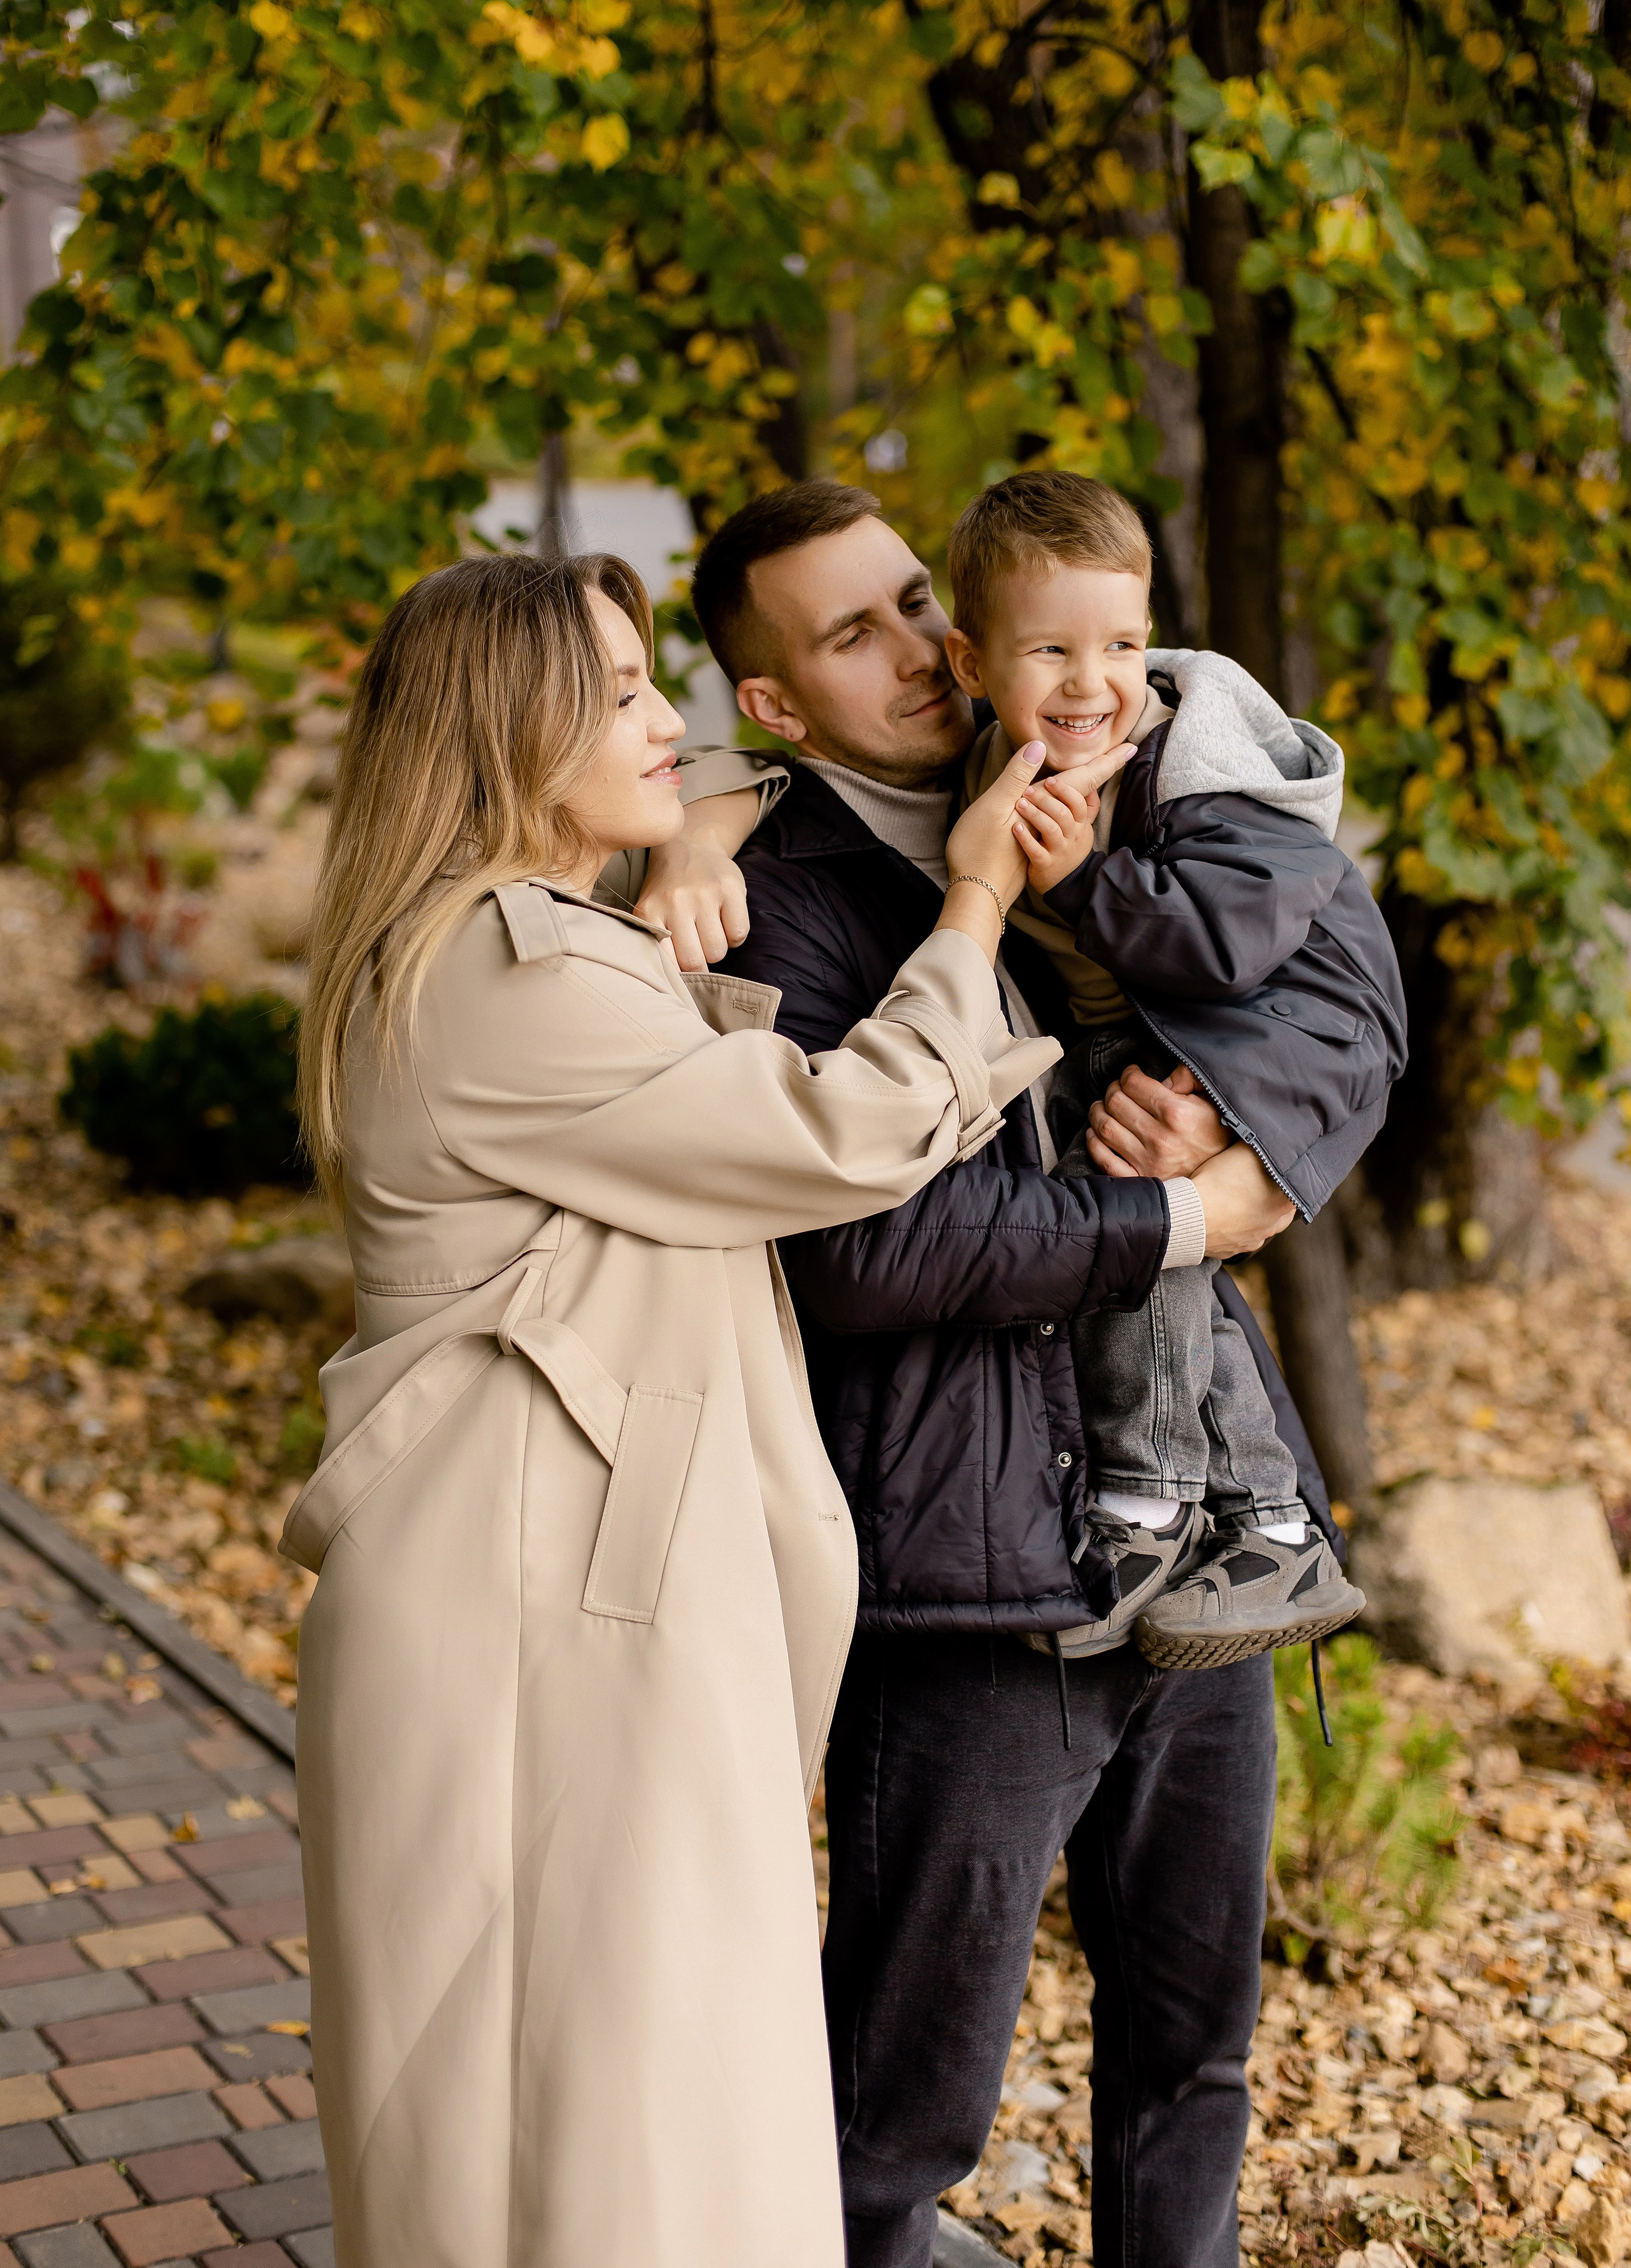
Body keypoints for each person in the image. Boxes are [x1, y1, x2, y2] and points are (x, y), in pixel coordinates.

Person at [281, 547, 1079, 2268]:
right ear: (510, 737)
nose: (672, 723)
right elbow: (846, 1132)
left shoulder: (532, 945)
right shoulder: (506, 973)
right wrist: (972, 907)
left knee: (618, 2108)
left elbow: (712, 840)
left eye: (660, 684)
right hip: (541, 1616)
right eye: (624, 696)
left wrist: (689, 838)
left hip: (572, 1588)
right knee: (585, 2122)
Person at [680, 482, 1314, 2268]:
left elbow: (1336, 1005)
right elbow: (868, 1255)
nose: (914, 654)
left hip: (1201, 1536)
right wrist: (1173, 1217)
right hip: (973, 1590)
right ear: (775, 706)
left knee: (1193, 2060)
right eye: (850, 636)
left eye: (909, 603)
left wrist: (1242, 1129)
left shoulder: (1117, 803)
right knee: (897, 2115)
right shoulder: (772, 916)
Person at [945, 469, 1405, 1667]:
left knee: (1139, 1217)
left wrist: (1087, 884)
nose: (1092, 682)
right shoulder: (993, 763)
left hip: (1295, 1025)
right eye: (1049, 649)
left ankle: (1149, 1505)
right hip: (1181, 1032)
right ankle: (1270, 1517)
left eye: (1123, 645)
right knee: (1150, 1225)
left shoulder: (1197, 771)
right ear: (968, 664)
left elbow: (1224, 946)